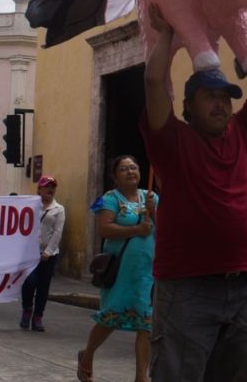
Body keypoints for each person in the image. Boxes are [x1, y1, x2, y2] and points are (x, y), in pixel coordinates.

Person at [140, 5, 247, 381]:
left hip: (244, 283)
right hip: (187, 285)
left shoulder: (244, 131)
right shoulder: (172, 142)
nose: (221, 103)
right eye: (210, 96)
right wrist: (166, 34)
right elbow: (154, 84)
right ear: (188, 107)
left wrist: (244, 31)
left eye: (226, 97)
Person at [78, 156, 157, 382]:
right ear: (115, 176)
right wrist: (136, 229)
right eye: (123, 169)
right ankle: (88, 355)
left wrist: (155, 211)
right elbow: (105, 229)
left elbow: (164, 228)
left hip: (146, 272)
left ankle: (141, 376)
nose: (130, 171)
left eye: (133, 167)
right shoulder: (109, 199)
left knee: (146, 323)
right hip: (120, 271)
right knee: (110, 318)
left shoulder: (150, 197)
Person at [20, 174, 66, 332]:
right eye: (47, 186)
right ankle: (27, 309)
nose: (50, 189)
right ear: (39, 189)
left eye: (52, 187)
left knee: (43, 286)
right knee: (29, 283)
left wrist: (48, 251)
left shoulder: (58, 209)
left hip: (49, 255)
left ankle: (38, 316)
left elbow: (57, 232)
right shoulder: (31, 206)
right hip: (29, 254)